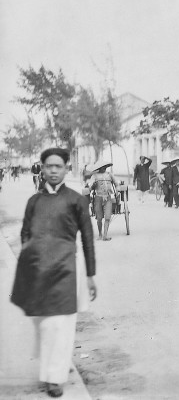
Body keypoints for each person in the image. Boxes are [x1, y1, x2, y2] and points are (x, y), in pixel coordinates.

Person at [11, 147, 97, 399]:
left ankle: (54, 378)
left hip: (66, 269)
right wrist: (30, 259)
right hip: (38, 270)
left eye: (58, 166)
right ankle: (56, 364)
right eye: (49, 166)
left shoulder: (76, 200)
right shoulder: (34, 201)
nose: (53, 171)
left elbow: (88, 239)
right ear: (42, 168)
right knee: (44, 324)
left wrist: (90, 275)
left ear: (66, 169)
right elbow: (25, 233)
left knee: (60, 323)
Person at [89, 161, 117, 241]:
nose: (104, 168)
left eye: (105, 167)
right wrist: (93, 185)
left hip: (108, 197)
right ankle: (100, 234)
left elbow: (116, 183)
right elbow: (90, 187)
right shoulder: (94, 176)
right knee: (99, 218)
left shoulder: (109, 174)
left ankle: (105, 235)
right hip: (98, 198)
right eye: (102, 167)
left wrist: (117, 190)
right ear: (99, 168)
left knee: (107, 217)